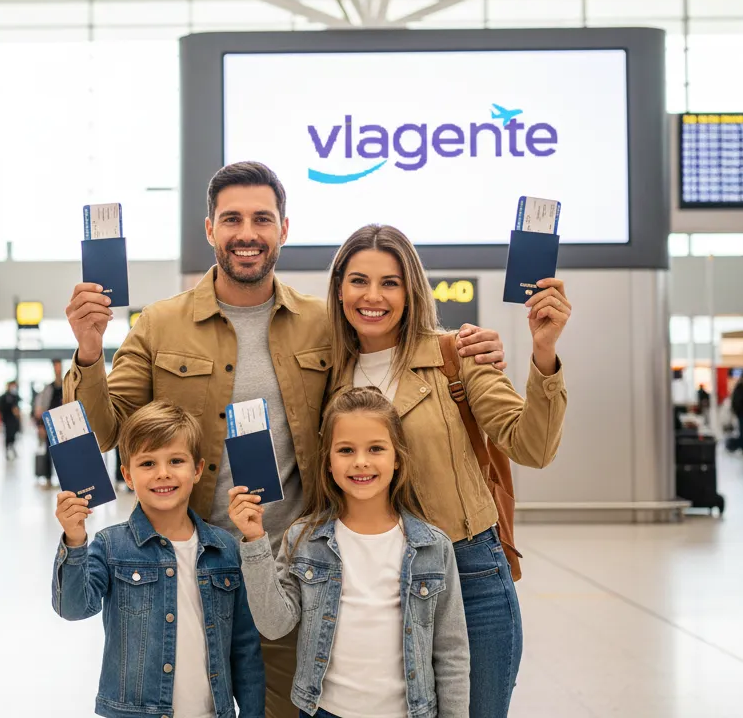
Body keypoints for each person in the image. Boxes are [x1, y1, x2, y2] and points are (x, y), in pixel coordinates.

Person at [64, 161, 507, 718]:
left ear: (283, 229)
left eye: (261, 219)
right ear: (210, 230)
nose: (246, 233)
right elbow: (104, 432)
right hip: (185, 568)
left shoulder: (323, 323)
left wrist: (463, 346)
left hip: (290, 573)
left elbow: (388, 339)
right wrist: (88, 351)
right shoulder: (158, 324)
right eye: (232, 219)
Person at [321, 224, 569, 718]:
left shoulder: (456, 355)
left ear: (411, 290)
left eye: (390, 282)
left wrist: (544, 352)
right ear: (339, 289)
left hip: (469, 570)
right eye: (358, 281)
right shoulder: (324, 374)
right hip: (369, 582)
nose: (373, 296)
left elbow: (532, 446)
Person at [231, 388, 470, 718]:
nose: (361, 461)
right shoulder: (304, 538)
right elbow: (273, 625)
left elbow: (452, 650)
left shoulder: (433, 546)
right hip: (324, 711)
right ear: (328, 461)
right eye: (345, 450)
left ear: (397, 457)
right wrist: (255, 541)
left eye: (375, 448)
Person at [52, 402, 265, 718]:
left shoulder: (225, 549)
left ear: (196, 469)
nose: (163, 473)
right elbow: (72, 607)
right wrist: (74, 540)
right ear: (127, 474)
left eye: (176, 460)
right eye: (148, 463)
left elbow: (244, 647)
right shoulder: (111, 546)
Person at [0, 381, 22, 460]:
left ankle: (12, 447)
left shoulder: (15, 396)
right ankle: (7, 450)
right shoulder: (4, 397)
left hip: (14, 420)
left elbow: (18, 405)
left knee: (14, 434)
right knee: (8, 435)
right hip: (7, 419)